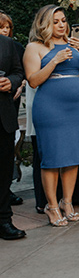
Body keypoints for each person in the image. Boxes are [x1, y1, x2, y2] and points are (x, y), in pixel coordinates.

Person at [23, 6, 79, 226]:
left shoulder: (75, 44)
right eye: (56, 21)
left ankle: (67, 201)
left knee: (73, 156)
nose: (62, 25)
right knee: (52, 158)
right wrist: (54, 60)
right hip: (50, 108)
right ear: (44, 24)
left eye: (64, 21)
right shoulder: (34, 47)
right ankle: (51, 206)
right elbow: (33, 81)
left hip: (77, 107)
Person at [0, 25, 24, 239]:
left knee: (4, 174)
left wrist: (11, 82)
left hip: (3, 119)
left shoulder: (7, 44)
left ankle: (4, 221)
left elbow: (19, 72)